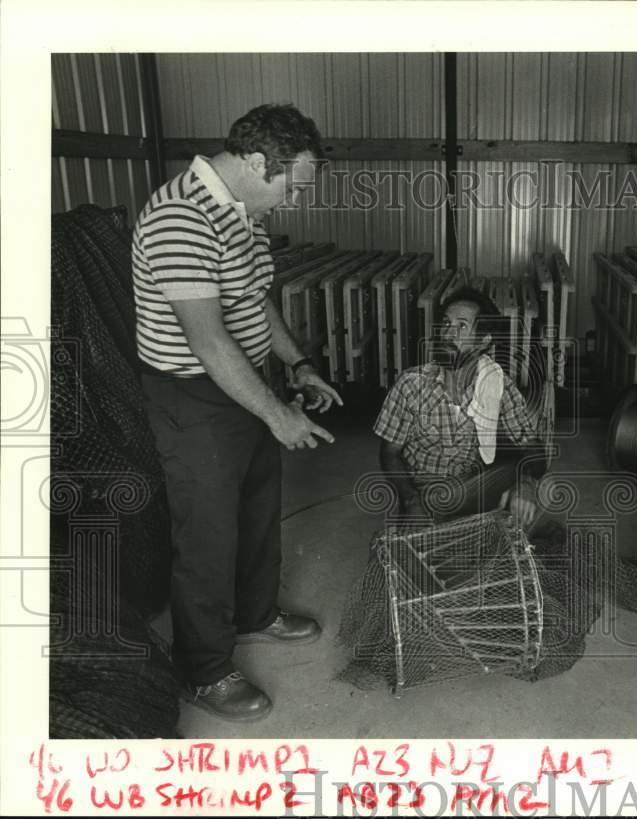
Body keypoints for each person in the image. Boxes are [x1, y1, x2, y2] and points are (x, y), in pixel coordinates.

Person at [133, 103, 343, 722]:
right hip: (194, 394)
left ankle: (254, 614)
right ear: (256, 162)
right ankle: (202, 670)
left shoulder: (244, 209)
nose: (294, 198)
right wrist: (277, 415)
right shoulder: (181, 217)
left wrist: (298, 366)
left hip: (244, 383)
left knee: (256, 506)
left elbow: (253, 303)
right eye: (292, 184)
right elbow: (208, 339)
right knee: (206, 534)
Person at [374, 286, 547, 532]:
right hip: (423, 490)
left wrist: (527, 483)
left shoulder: (496, 384)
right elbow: (389, 453)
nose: (447, 333)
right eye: (445, 323)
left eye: (462, 325)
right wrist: (410, 500)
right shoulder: (411, 384)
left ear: (483, 341)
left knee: (532, 487)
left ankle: (481, 529)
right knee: (415, 562)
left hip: (472, 484)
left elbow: (532, 446)